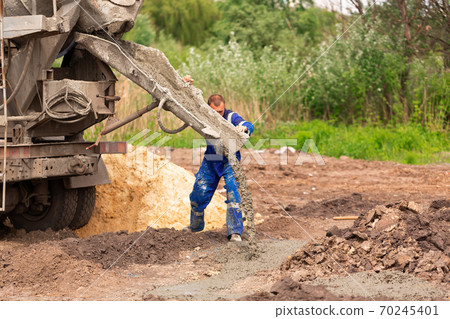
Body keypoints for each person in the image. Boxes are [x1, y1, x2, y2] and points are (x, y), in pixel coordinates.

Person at [182, 75, 254, 242]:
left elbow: (247, 124)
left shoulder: (230, 116)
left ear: (224, 108)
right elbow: (185, 103)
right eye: (215, 112)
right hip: (211, 160)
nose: (218, 115)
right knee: (197, 194)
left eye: (221, 111)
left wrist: (244, 128)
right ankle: (195, 226)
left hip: (230, 161)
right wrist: (184, 85)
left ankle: (235, 232)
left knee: (233, 192)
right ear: (208, 109)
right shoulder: (203, 115)